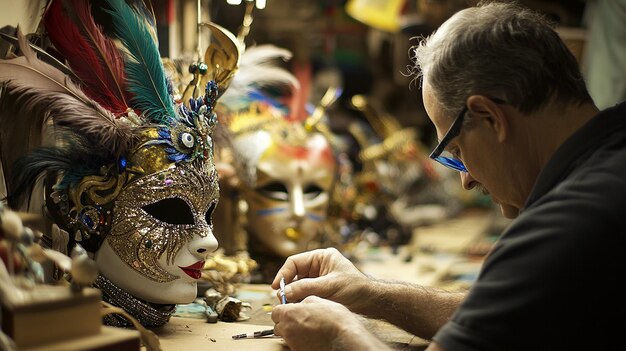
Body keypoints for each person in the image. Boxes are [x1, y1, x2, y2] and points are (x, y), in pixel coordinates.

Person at [269, 1, 626, 350]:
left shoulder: (563, 226)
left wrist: (338, 336)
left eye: (455, 153)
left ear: (488, 117)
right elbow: (509, 317)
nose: (466, 180)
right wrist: (369, 294)